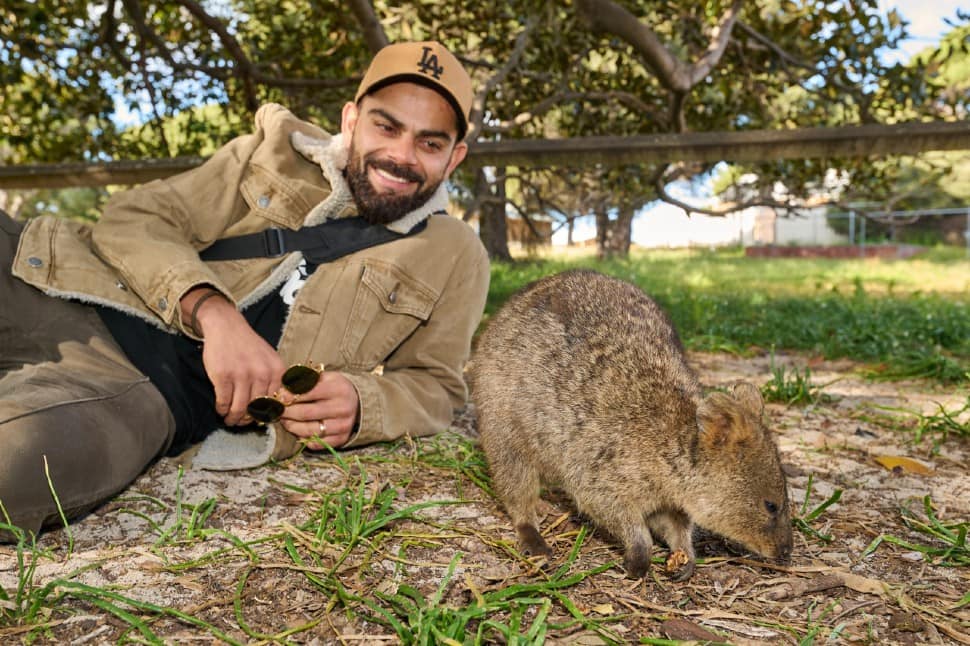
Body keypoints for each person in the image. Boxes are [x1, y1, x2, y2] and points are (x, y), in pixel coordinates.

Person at [0, 41, 490, 538]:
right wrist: (215, 314)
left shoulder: (455, 255)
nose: (400, 156)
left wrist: (365, 403)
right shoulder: (271, 150)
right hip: (48, 272)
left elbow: (438, 385)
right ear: (351, 121)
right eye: (386, 127)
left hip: (134, 392)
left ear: (454, 159)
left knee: (14, 469)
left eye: (429, 143)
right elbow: (134, 218)